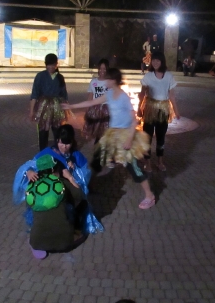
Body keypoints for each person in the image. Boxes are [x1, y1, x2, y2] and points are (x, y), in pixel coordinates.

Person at [63, 68, 156, 210]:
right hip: (112, 135)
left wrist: (129, 139)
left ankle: (149, 195)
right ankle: (88, 186)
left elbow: (134, 120)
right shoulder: (109, 94)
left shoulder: (123, 97)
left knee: (133, 167)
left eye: (107, 78)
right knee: (97, 160)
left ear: (113, 80)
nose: (105, 81)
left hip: (125, 135)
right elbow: (91, 103)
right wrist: (71, 106)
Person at [13, 125, 104, 258]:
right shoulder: (47, 155)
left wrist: (75, 169)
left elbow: (85, 175)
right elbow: (31, 165)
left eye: (68, 143)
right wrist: (29, 171)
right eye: (62, 143)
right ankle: (72, 230)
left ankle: (40, 236)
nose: (64, 147)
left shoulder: (75, 156)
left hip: (60, 196)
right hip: (63, 193)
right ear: (57, 141)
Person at [139, 51, 180, 173]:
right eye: (153, 60)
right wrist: (139, 110)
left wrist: (176, 111)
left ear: (162, 61)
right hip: (149, 109)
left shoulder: (169, 76)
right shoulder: (148, 76)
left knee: (161, 137)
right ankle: (147, 162)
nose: (155, 62)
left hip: (163, 110)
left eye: (158, 60)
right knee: (147, 137)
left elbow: (172, 96)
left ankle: (160, 161)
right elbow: (142, 95)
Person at [29, 53, 70, 150]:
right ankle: (43, 153)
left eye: (53, 65)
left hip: (57, 108)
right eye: (49, 65)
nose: (51, 67)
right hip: (43, 108)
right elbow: (34, 94)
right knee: (43, 131)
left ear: (56, 65)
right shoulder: (40, 76)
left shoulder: (60, 77)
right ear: (45, 64)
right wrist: (32, 111)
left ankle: (58, 152)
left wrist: (66, 111)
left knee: (57, 131)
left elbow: (64, 96)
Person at [83, 59, 110, 142]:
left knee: (106, 134)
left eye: (104, 69)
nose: (102, 71)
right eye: (100, 68)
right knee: (97, 134)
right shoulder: (93, 82)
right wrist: (87, 111)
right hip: (96, 110)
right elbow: (90, 97)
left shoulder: (110, 82)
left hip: (107, 111)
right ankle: (97, 148)